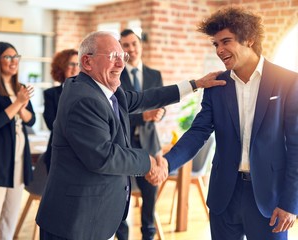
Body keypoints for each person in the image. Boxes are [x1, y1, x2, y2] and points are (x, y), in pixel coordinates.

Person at [35, 31, 225, 240]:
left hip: (90, 216)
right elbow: (104, 156)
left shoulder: (103, 89)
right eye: (112, 57)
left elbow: (145, 97)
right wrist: (149, 162)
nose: (120, 64)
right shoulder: (84, 99)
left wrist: (195, 84)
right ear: (87, 62)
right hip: (74, 221)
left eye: (122, 57)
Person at [156, 6, 298, 240]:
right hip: (224, 196)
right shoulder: (216, 85)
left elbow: (296, 147)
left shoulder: (288, 82)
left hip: (269, 198)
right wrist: (167, 163)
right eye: (216, 44)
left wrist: (291, 202)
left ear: (249, 39)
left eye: (226, 42)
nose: (219, 50)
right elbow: (198, 132)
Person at [0, 42, 36, 240]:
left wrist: (21, 106)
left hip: (20, 157)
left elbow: (31, 119)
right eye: (8, 57)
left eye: (15, 56)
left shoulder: (20, 87)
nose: (13, 61)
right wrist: (18, 102)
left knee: (11, 211)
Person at [116, 29, 165, 240]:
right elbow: (115, 113)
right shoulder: (115, 74)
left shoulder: (155, 75)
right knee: (120, 194)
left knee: (150, 194)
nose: (131, 49)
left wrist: (159, 114)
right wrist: (142, 116)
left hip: (149, 145)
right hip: (123, 144)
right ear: (121, 49)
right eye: (125, 45)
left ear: (141, 45)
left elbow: (161, 108)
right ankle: (122, 235)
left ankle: (149, 234)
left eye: (133, 44)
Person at [43, 49, 79, 172]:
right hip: (57, 153)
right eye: (71, 64)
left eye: (78, 64)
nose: (75, 68)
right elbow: (50, 123)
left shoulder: (91, 94)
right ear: (62, 66)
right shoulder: (50, 94)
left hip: (82, 155)